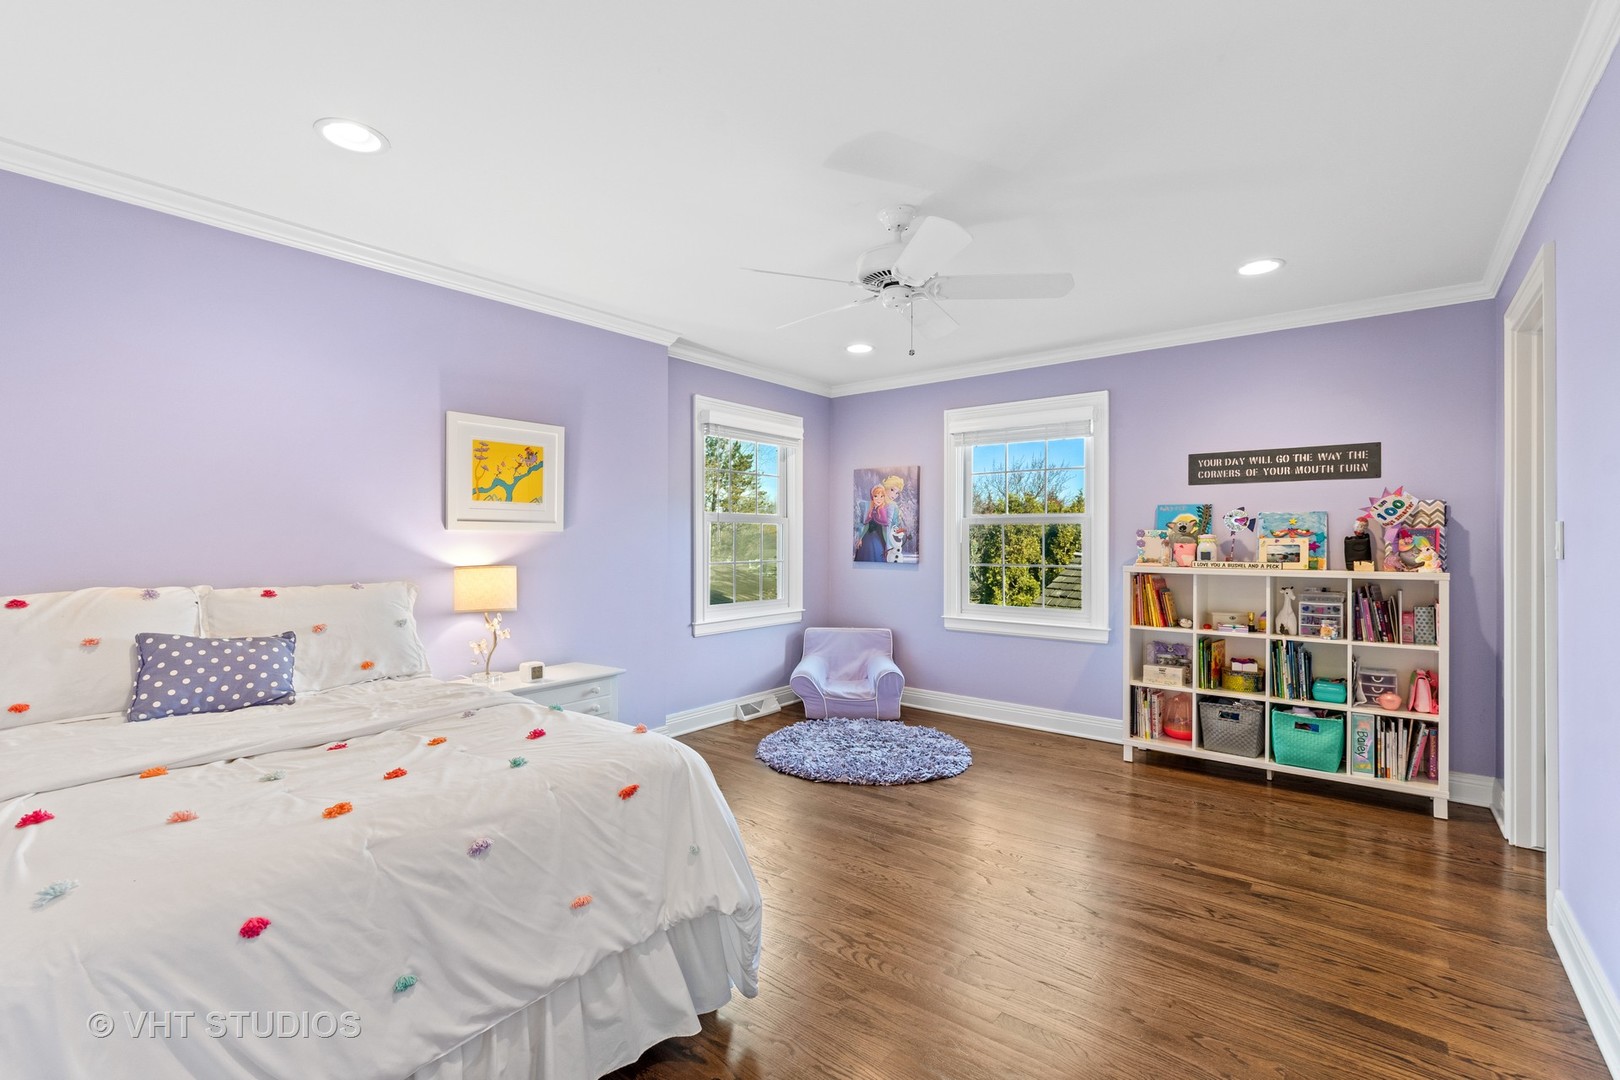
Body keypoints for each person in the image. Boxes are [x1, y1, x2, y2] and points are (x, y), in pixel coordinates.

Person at [854, 483, 891, 562]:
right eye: (876, 496)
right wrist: (860, 538)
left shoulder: (882, 511)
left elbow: (884, 530)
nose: (879, 499)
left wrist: (887, 545)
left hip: (877, 539)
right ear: (872, 498)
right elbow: (866, 526)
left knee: (876, 555)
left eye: (882, 496)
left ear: (884, 497)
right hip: (866, 538)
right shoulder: (871, 510)